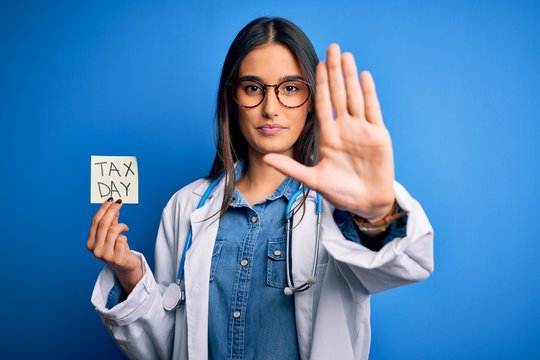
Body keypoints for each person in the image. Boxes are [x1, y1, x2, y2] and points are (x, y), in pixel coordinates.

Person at [87, 17, 433, 360]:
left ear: (312, 99)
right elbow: (170, 348)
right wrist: (131, 277)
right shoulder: (185, 206)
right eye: (253, 88)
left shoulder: (337, 208)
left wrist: (376, 216)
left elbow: (406, 266)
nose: (270, 108)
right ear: (232, 98)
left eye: (291, 88)